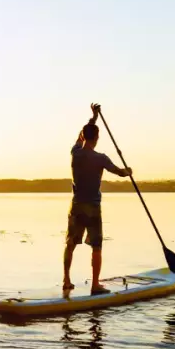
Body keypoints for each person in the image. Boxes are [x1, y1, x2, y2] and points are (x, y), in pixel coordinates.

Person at [64, 103, 131, 295]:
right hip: (92, 207)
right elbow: (119, 172)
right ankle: (95, 285)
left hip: (76, 206)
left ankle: (66, 281)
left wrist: (93, 118)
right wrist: (128, 171)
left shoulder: (75, 153)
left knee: (70, 243)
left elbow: (80, 135)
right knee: (97, 246)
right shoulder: (101, 158)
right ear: (97, 138)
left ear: (84, 136)